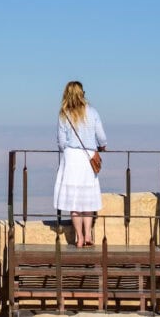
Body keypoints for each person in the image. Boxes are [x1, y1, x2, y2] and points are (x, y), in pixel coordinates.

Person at [54, 80, 107, 248]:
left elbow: (61, 142)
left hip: (71, 158)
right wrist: (101, 146)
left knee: (74, 201)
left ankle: (79, 237)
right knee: (87, 199)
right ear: (82, 93)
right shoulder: (92, 112)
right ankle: (88, 234)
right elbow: (102, 136)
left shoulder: (64, 114)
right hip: (87, 156)